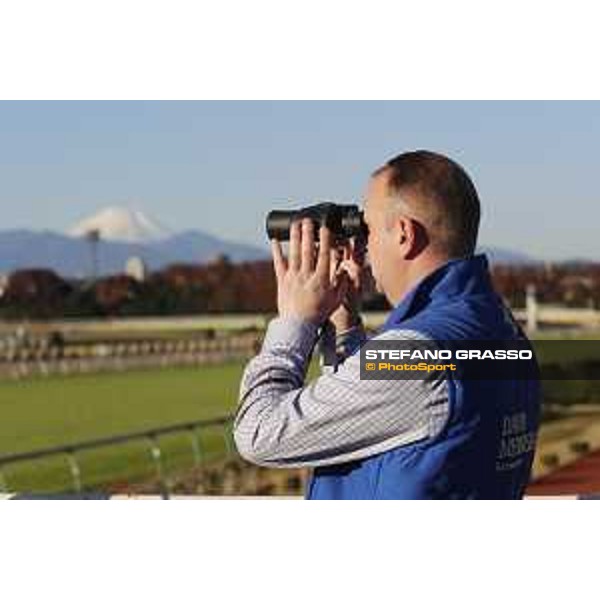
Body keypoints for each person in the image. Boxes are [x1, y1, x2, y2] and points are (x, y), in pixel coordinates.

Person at [233, 150, 541, 499]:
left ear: (404, 235)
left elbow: (258, 433)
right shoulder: (503, 333)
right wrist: (345, 326)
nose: (362, 247)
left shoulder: (416, 356)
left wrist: (294, 321)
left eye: (368, 229)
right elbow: (383, 420)